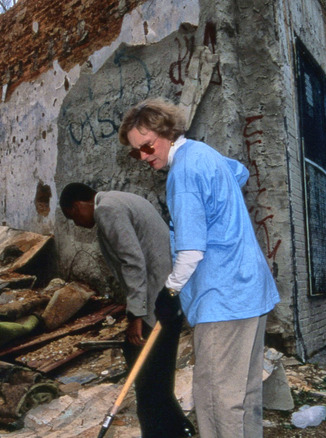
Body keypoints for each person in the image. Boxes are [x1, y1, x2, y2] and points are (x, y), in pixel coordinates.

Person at [118, 98, 280, 438]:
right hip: (249, 289)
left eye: (147, 147)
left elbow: (191, 251)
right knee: (245, 392)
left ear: (167, 131)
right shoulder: (204, 155)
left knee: (217, 398)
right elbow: (240, 172)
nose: (145, 157)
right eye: (136, 153)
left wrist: (170, 291)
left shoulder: (184, 174)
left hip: (223, 297)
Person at [60, 182, 195, 437]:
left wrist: (136, 316)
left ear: (78, 206)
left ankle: (162, 431)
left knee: (146, 373)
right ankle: (178, 427)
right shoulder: (117, 201)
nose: (76, 224)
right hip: (165, 297)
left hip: (158, 299)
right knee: (155, 370)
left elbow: (133, 263)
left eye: (72, 217)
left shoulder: (107, 209)